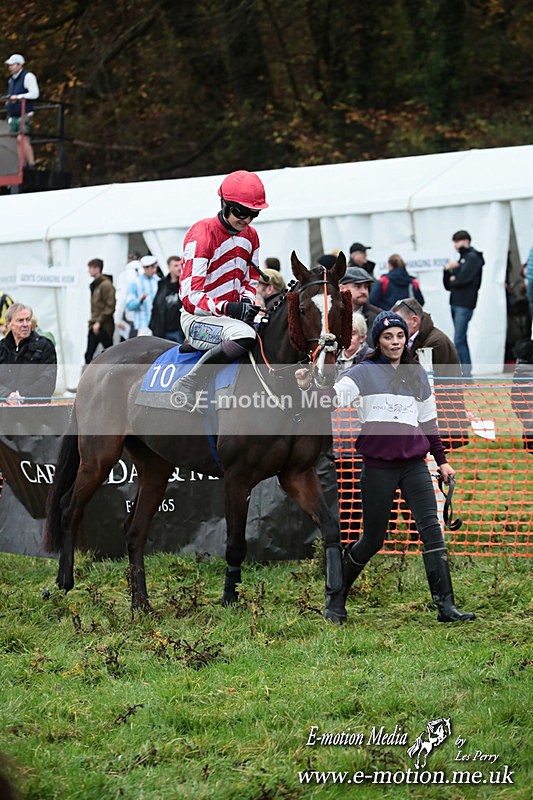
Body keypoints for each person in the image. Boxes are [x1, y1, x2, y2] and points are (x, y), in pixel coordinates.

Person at [296, 310, 475, 623]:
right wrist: (308, 387)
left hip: (415, 465)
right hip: (378, 467)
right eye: (388, 336)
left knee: (432, 532)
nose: (395, 342)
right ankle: (336, 599)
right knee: (372, 540)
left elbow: (429, 422)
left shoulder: (417, 373)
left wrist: (442, 461)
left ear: (406, 339)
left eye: (400, 336)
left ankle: (446, 607)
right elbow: (333, 398)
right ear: (377, 340)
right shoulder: (363, 372)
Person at [171, 169, 268, 411]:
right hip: (197, 320)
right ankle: (189, 383)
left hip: (230, 318)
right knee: (244, 336)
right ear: (224, 204)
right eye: (241, 212)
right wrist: (227, 307)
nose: (246, 219)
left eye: (253, 214)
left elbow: (251, 279)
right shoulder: (202, 233)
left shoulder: (252, 236)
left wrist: (245, 302)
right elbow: (190, 297)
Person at [443, 230, 484, 377]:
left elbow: (462, 279)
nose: (456, 245)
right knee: (461, 338)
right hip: (455, 302)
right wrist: (447, 272)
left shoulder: (473, 257)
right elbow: (448, 285)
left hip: (465, 303)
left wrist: (455, 276)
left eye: (458, 241)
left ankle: (466, 373)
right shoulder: (461, 260)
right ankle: (466, 371)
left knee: (458, 339)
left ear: (466, 241)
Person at [0, 303, 57, 403]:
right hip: (4, 412)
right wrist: (7, 395)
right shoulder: (2, 348)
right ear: (9, 324)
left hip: (35, 412)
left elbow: (48, 380)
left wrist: (23, 398)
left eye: (28, 320)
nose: (25, 324)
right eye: (20, 321)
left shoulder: (45, 346)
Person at [4, 53, 39, 167]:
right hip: (14, 114)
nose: (10, 67)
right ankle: (22, 165)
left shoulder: (28, 76)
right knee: (17, 141)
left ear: (20, 65)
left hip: (25, 113)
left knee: (22, 139)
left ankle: (31, 164)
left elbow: (34, 94)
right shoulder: (11, 80)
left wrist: (18, 97)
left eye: (12, 65)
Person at [339, 266, 381, 345]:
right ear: (342, 288)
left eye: (366, 287)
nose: (364, 291)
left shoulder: (378, 317)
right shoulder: (331, 316)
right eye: (358, 286)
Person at [84, 258, 116, 364]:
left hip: (103, 325)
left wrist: (99, 322)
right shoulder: (96, 285)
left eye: (90, 268)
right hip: (94, 323)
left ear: (97, 269)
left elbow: (110, 305)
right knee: (89, 355)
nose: (88, 271)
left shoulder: (105, 285)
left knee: (109, 354)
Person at [149, 255, 185, 342]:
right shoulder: (162, 284)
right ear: (169, 267)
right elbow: (156, 307)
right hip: (163, 332)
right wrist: (153, 327)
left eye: (181, 265)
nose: (179, 268)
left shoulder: (185, 284)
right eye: (176, 266)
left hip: (179, 332)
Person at [125, 255, 160, 335]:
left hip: (157, 323)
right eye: (152, 268)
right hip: (142, 325)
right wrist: (140, 300)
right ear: (145, 268)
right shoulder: (135, 283)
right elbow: (129, 305)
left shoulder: (158, 281)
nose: (154, 270)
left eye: (155, 267)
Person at [114, 258, 142, 341]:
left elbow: (121, 298)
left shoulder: (125, 275)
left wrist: (117, 319)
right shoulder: (149, 275)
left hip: (132, 320)